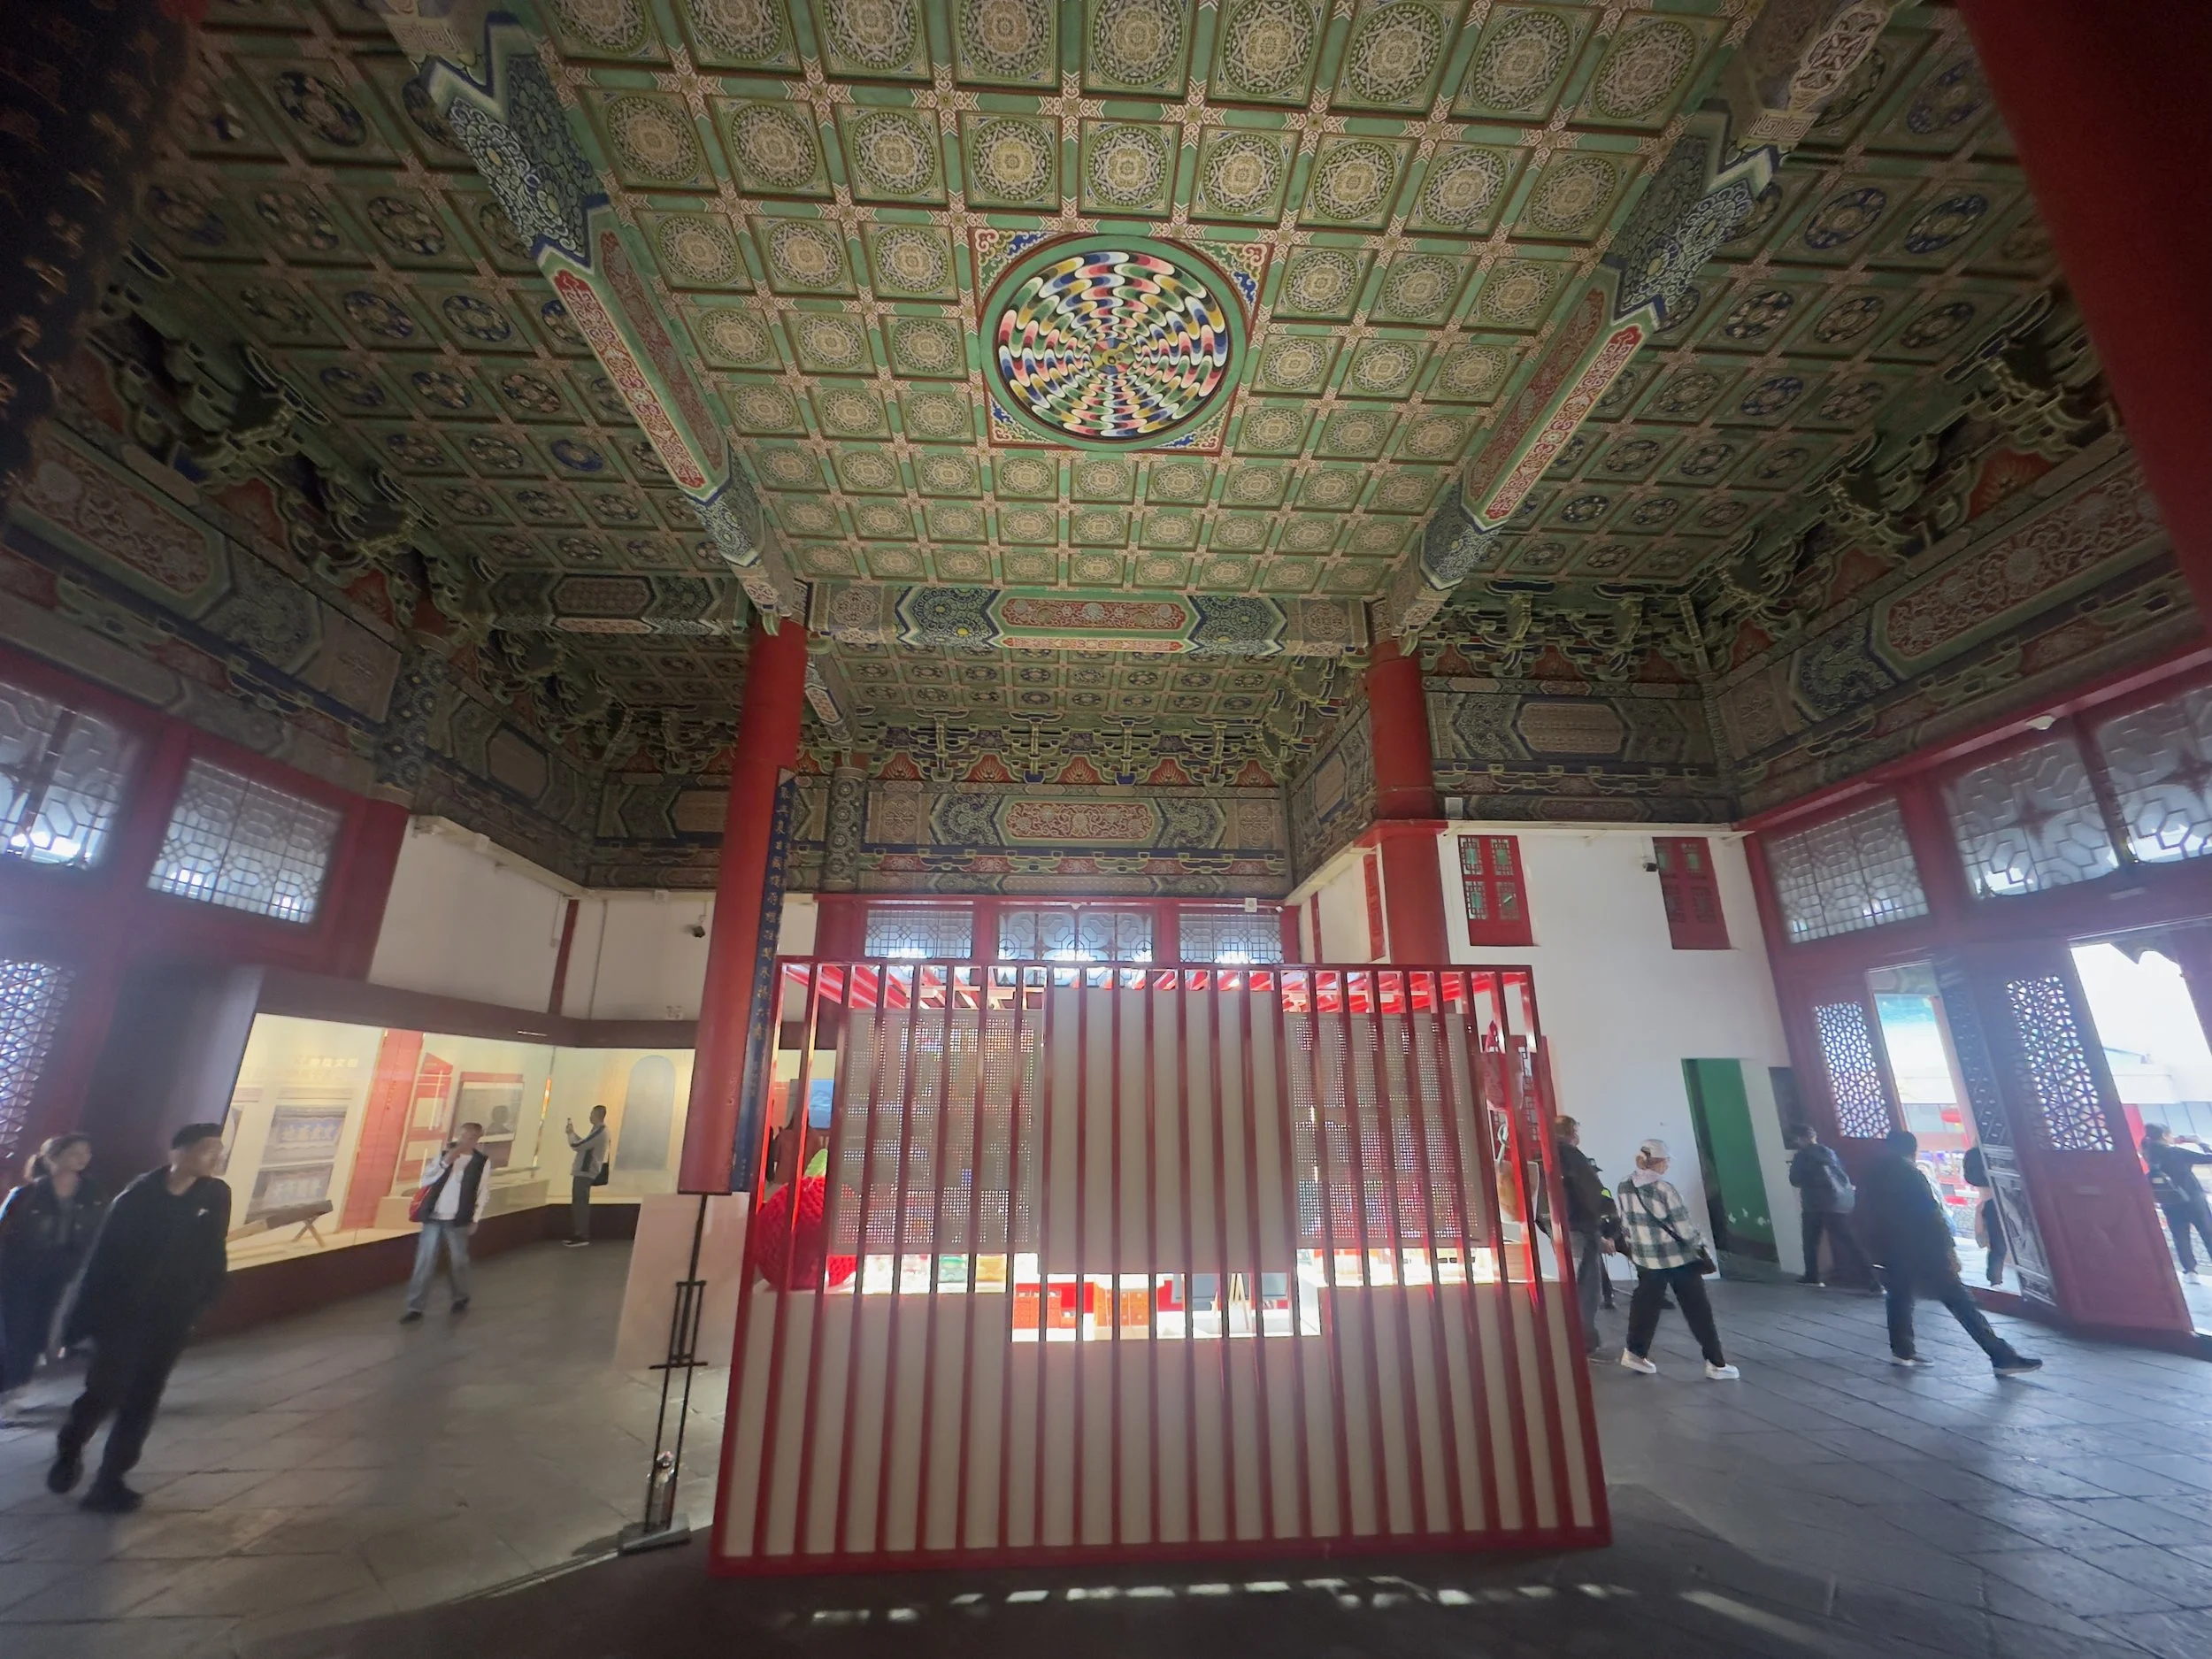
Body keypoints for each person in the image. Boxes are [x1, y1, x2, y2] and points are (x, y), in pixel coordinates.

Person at [47, 1124, 229, 1513]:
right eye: (206, 1149)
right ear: (178, 1153)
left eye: (219, 1150)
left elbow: (214, 1250)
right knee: (104, 1392)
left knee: (144, 1398)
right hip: (124, 1315)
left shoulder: (215, 1194)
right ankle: (71, 1448)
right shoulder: (136, 1199)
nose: (215, 1158)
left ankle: (110, 1481)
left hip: (172, 1316)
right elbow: (102, 1263)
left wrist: (204, 1299)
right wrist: (81, 1325)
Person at [1861, 1129, 2041, 1375]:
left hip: (1891, 1247)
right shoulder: (1910, 1174)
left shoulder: (1872, 1173)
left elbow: (1863, 1212)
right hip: (1924, 1249)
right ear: (1913, 1150)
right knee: (1960, 1301)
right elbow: (1930, 1215)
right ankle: (2001, 1356)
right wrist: (1948, 1250)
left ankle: (1903, 1352)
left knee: (1899, 1298)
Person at [0, 1135, 106, 1420]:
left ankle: (17, 1385)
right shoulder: (27, 1194)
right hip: (21, 1271)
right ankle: (10, 1387)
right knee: (15, 1329)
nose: (82, 1159)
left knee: (42, 1330)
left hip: (66, 1271)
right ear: (52, 1158)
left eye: (86, 1152)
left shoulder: (92, 1193)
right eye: (74, 1153)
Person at [1616, 1140, 1739, 1380]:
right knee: (1698, 1311)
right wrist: (1701, 1248)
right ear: (1659, 1162)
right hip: (1677, 1259)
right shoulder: (1664, 1189)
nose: (1668, 1165)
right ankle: (1716, 1363)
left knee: (1645, 1307)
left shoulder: (1624, 1185)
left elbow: (1626, 1221)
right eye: (1667, 1161)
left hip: (1646, 1258)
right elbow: (1684, 1227)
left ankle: (1635, 1352)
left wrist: (1635, 1249)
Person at [401, 1122, 492, 1323]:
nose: (464, 1141)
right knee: (424, 1261)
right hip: (434, 1216)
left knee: (458, 1260)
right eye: (462, 1136)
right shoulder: (444, 1155)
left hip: (458, 1218)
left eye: (469, 1137)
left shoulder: (481, 1162)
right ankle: (415, 1306)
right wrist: (445, 1163)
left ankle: (460, 1296)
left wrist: (475, 1219)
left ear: (476, 1139)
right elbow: (425, 1179)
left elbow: (482, 1191)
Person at [1554, 1117, 1617, 1356]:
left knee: (1574, 1281)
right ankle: (1584, 1341)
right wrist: (1603, 1222)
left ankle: (1577, 1336)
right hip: (1582, 1226)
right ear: (1570, 1132)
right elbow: (1591, 1193)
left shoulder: (1546, 1155)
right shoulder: (1571, 1155)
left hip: (1562, 1227)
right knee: (1587, 1287)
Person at [1786, 1124, 1870, 1288]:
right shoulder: (1829, 1153)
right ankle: (1871, 1279)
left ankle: (1812, 1276)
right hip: (1835, 1203)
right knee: (1848, 1241)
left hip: (1814, 1204)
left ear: (1800, 1139)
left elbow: (1794, 1180)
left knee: (1811, 1242)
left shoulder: (1802, 1156)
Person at [2140, 1124, 2212, 1284]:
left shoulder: (2149, 1152)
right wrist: (2200, 1142)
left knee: (2180, 1236)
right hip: (2193, 1199)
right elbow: (2210, 1157)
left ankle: (2190, 1272)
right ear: (2166, 1135)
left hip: (2169, 1201)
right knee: (2208, 1232)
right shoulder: (2177, 1152)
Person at [564, 1105, 610, 1248]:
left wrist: (571, 1135)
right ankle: (579, 1233)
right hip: (585, 1171)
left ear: (598, 1115)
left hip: (585, 1171)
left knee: (580, 1203)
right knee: (579, 1202)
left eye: (591, 1114)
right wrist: (573, 1134)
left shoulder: (601, 1131)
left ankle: (582, 1235)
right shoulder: (598, 1131)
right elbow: (585, 1144)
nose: (589, 1116)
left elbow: (579, 1145)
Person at [1963, 1143, 2008, 1287]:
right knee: (1999, 1245)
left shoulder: (1973, 1157)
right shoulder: (1989, 1157)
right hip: (2000, 1201)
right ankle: (1995, 1279)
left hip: (1988, 1203)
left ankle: (1995, 1280)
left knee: (1996, 1246)